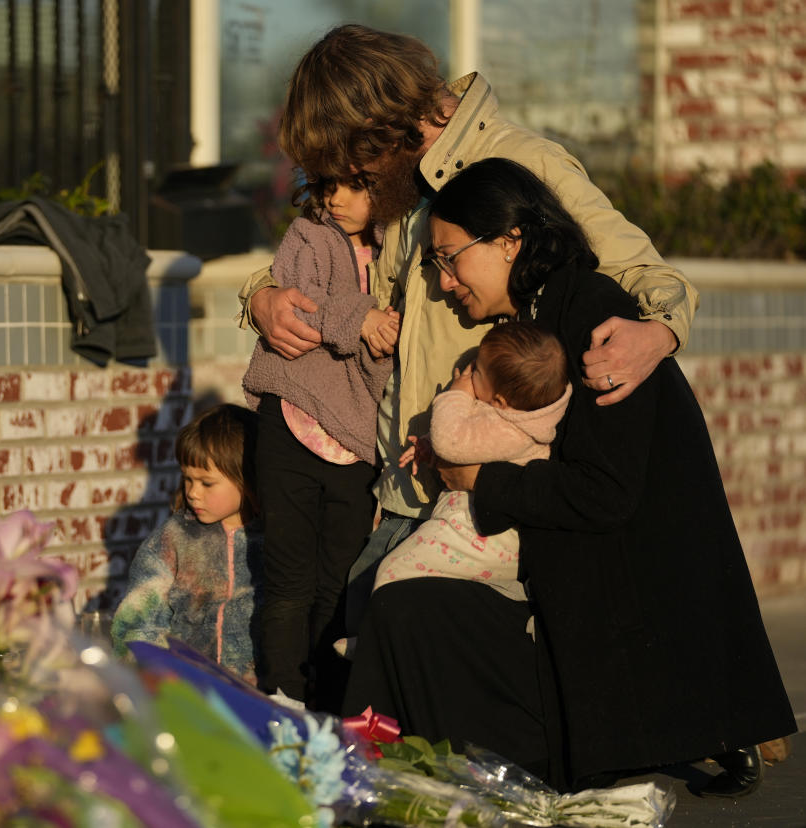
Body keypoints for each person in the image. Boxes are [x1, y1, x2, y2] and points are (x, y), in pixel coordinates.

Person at [344, 158, 797, 796]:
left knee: (408, 611)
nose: (444, 283)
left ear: (508, 240)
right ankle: (380, 772)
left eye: (449, 258)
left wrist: (477, 479)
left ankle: (379, 775)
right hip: (579, 587)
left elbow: (604, 492)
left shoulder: (592, 319)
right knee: (402, 608)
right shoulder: (543, 316)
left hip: (615, 620)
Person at [235, 24, 699, 637]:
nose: (348, 178)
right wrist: (260, 296)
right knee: (359, 657)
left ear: (384, 123)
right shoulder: (401, 182)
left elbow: (642, 270)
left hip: (479, 494)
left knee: (406, 677)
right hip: (403, 485)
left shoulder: (521, 163)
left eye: (353, 161)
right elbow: (329, 263)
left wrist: (661, 330)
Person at [241, 175, 400, 710]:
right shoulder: (309, 232)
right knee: (288, 580)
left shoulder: (403, 242)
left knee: (340, 583)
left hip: (359, 441)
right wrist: (363, 317)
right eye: (329, 185)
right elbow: (299, 305)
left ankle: (330, 708)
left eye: (357, 186)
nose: (336, 198)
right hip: (292, 418)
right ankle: (283, 701)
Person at [370, 322, 570, 605]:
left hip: (478, 536)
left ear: (499, 400)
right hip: (470, 530)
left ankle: (371, 641)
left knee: (396, 571)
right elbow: (466, 440)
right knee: (424, 591)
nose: (467, 372)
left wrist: (457, 394)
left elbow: (451, 441)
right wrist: (428, 447)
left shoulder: (511, 430)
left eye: (476, 371)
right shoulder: (509, 417)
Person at [110, 403, 262, 684]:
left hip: (260, 699)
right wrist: (152, 677)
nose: (192, 492)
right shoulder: (172, 539)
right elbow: (137, 621)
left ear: (247, 478)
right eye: (188, 479)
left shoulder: (274, 541)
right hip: (186, 692)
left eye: (206, 483)